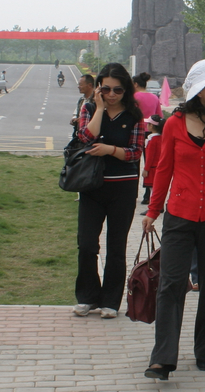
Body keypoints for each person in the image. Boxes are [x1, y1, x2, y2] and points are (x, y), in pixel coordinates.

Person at [141, 59, 205, 381]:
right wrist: (153, 210)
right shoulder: (174, 124)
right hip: (179, 216)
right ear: (200, 91)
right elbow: (164, 169)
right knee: (171, 286)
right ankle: (162, 359)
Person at [72, 62, 145, 320]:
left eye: (118, 90)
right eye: (106, 89)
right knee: (87, 244)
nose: (111, 94)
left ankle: (111, 301)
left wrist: (110, 150)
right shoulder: (90, 108)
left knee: (116, 247)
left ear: (126, 90)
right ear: (98, 88)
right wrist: (100, 108)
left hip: (123, 189)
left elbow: (135, 152)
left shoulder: (134, 115)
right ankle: (87, 297)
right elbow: (85, 136)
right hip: (92, 186)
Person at [132, 72, 163, 204]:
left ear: (135, 84)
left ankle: (133, 192)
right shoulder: (154, 97)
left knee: (134, 163)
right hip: (151, 133)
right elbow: (160, 116)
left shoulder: (134, 97)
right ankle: (148, 194)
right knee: (149, 163)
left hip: (137, 131)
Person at [139, 115, 165, 216]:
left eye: (148, 124)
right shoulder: (162, 138)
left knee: (152, 189)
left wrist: (146, 169)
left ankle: (153, 207)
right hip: (160, 166)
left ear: (152, 126)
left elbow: (149, 156)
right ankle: (160, 206)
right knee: (158, 188)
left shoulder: (152, 139)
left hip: (152, 167)